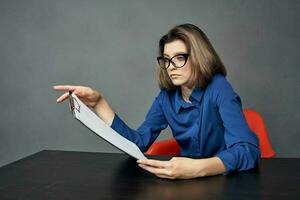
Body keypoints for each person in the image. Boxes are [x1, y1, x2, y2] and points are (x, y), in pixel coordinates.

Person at [53, 24, 260, 179]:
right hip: (187, 184)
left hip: (229, 180)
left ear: (199, 57)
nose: (171, 66)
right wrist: (99, 103)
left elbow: (248, 150)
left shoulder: (218, 87)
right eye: (166, 59)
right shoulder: (166, 98)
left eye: (180, 57)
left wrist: (197, 168)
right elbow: (139, 143)